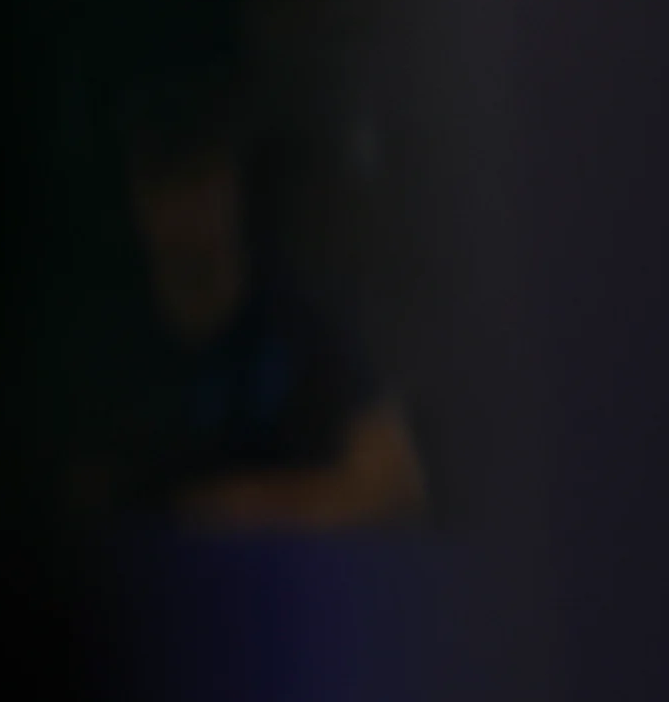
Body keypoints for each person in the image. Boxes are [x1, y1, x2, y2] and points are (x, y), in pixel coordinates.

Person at [101, 82, 427, 531]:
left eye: (200, 176)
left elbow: (398, 485)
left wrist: (252, 507)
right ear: (138, 197)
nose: (184, 209)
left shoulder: (300, 325)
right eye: (163, 183)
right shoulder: (110, 348)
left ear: (233, 181)